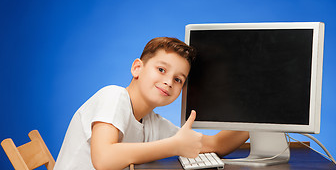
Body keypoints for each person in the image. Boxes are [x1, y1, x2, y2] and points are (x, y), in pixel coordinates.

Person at [54, 37, 249, 170]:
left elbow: (216, 144)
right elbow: (104, 158)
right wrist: (174, 146)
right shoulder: (113, 96)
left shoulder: (152, 123)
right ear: (137, 68)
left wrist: (263, 117)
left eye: (178, 79)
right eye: (162, 70)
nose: (169, 82)